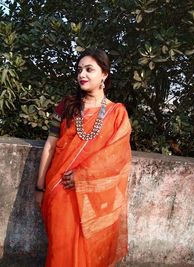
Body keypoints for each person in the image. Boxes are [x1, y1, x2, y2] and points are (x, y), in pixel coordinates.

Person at [35, 47, 132, 267]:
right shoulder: (66, 106)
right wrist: (39, 187)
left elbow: (117, 158)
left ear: (104, 74)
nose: (82, 75)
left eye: (89, 69)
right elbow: (50, 146)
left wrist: (83, 175)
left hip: (93, 197)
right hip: (59, 190)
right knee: (59, 250)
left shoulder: (117, 113)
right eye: (79, 70)